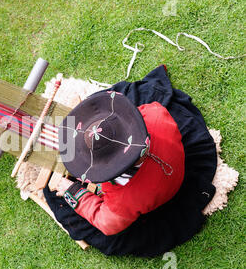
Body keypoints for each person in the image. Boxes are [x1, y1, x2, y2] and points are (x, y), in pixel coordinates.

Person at [43, 65, 217, 257]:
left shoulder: (122, 201)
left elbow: (106, 224)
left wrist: (73, 191)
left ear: (107, 168)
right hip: (176, 166)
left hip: (159, 193)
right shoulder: (156, 115)